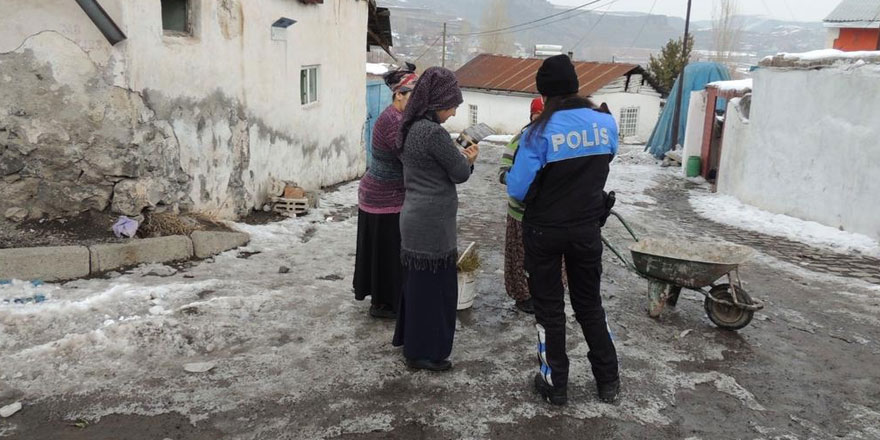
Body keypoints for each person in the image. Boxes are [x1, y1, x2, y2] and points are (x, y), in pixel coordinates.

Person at [506, 55, 620, 405]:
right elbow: (606, 159)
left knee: (550, 310)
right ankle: (608, 381)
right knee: (590, 306)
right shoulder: (605, 123)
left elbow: (518, 189)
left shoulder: (538, 132)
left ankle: (555, 384)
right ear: (575, 86)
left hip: (544, 233)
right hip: (586, 229)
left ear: (545, 91)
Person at [392, 67, 479, 372]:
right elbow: (458, 173)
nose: (454, 112)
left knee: (417, 287)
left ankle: (412, 343)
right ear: (438, 103)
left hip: (414, 216)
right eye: (453, 105)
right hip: (433, 223)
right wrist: (470, 159)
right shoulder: (433, 133)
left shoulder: (412, 126)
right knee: (437, 292)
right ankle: (425, 353)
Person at [353, 65, 419, 319]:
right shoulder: (393, 121)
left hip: (388, 194)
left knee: (386, 252)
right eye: (411, 95)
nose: (416, 101)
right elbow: (410, 158)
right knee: (387, 253)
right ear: (398, 95)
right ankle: (384, 304)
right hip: (382, 197)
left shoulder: (401, 118)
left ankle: (386, 300)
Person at [498, 97, 544, 314]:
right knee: (520, 256)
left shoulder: (554, 140)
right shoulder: (520, 140)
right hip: (520, 213)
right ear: (531, 116)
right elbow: (502, 172)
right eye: (538, 114)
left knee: (546, 257)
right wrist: (519, 180)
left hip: (547, 214)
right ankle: (523, 296)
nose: (541, 119)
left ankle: (544, 293)